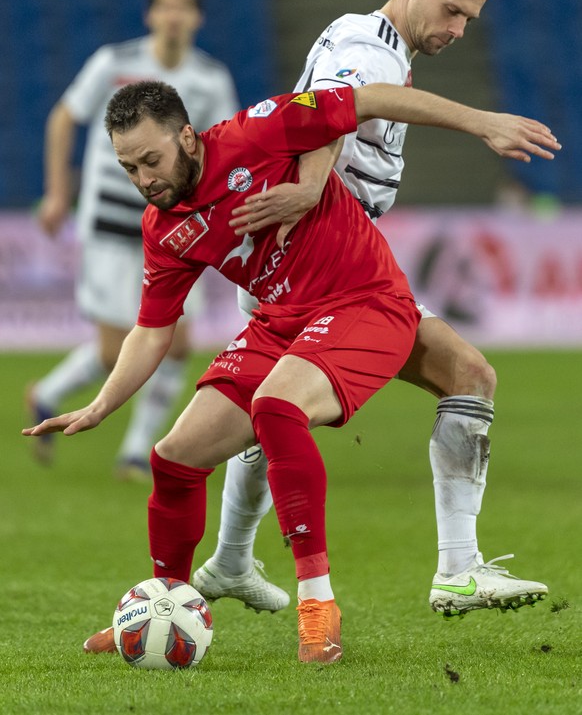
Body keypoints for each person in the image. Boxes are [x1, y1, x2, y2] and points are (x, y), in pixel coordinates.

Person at [24, 79, 557, 663]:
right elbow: (153, 329)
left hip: (363, 302)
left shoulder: (257, 132)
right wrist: (101, 405)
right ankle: (161, 605)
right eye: (129, 168)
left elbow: (368, 100)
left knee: (277, 407)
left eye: (152, 160)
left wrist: (481, 120)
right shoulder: (164, 226)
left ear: (186, 136)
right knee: (174, 457)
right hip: (281, 323)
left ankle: (318, 606)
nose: (144, 179)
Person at [191, 0, 555, 619]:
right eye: (453, 11)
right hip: (322, 271)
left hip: (310, 265)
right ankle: (455, 570)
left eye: (469, 23)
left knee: (274, 413)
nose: (457, 30)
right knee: (467, 373)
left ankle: (231, 559)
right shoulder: (374, 46)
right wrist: (309, 187)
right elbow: (339, 104)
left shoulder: (369, 37)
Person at [28, 0, 239, 482]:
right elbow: (63, 117)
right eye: (164, 6)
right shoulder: (114, 62)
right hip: (107, 222)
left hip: (174, 225)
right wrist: (58, 193)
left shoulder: (211, 78)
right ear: (150, 15)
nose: (173, 16)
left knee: (178, 341)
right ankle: (47, 394)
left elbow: (223, 146)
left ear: (197, 18)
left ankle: (136, 449)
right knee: (114, 349)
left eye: (183, 7)